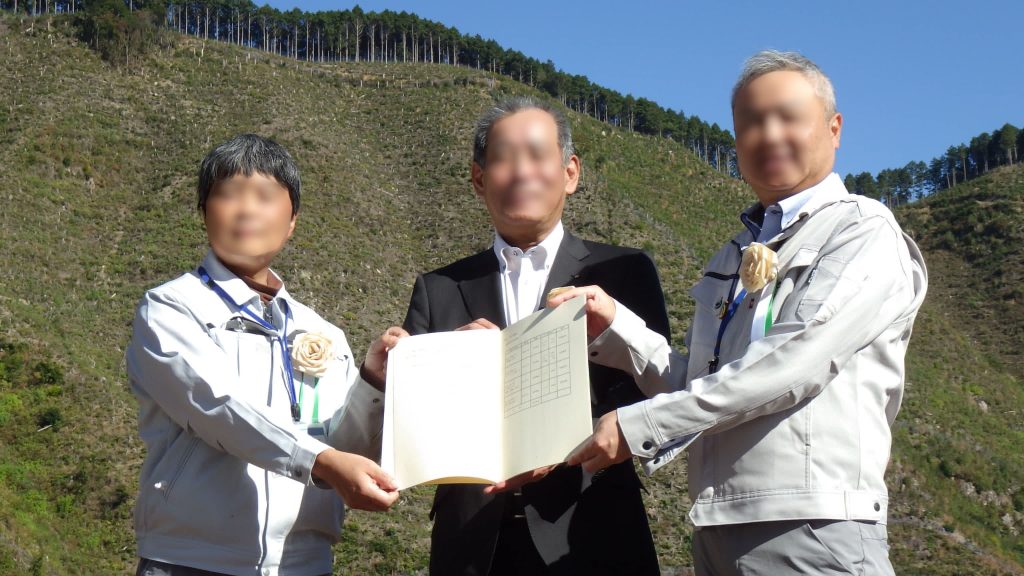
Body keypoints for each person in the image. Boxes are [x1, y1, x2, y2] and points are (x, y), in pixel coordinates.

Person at [549, 51, 928, 575]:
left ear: (834, 128)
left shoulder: (861, 231)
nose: (768, 135)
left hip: (811, 526)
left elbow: (791, 366)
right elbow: (704, 386)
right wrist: (618, 327)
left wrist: (639, 425)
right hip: (716, 528)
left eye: (788, 117)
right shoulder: (731, 254)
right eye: (751, 122)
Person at [402, 96, 669, 575]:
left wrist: (560, 447)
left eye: (537, 154)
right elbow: (414, 423)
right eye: (504, 158)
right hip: (473, 542)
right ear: (479, 179)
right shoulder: (438, 288)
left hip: (593, 531)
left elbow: (655, 392)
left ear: (570, 172)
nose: (522, 171)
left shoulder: (624, 270)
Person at [126, 134, 407, 576]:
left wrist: (373, 382)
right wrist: (320, 461)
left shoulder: (322, 333)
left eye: (265, 196)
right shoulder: (170, 308)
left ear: (291, 220)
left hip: (305, 562)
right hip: (193, 560)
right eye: (228, 194)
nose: (246, 210)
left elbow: (343, 450)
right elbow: (218, 406)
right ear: (204, 212)